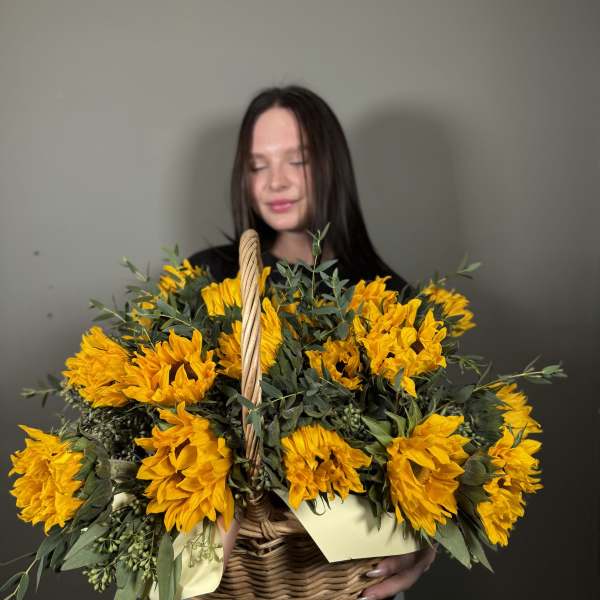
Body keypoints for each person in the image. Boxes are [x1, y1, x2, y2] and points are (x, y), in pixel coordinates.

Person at [188, 85, 437, 600]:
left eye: (296, 161)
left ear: (330, 166)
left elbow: (426, 445)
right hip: (243, 577)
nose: (275, 182)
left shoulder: (388, 297)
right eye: (257, 165)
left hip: (344, 580)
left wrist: (425, 539)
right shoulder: (209, 277)